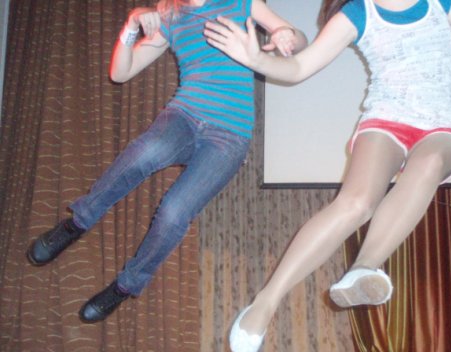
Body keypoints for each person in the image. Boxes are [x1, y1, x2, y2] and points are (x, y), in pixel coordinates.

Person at [204, 0, 451, 352]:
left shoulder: (444, 3)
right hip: (385, 120)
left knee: (430, 162)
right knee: (355, 204)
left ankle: (363, 267)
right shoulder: (358, 13)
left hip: (441, 126)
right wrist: (257, 61)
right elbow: (299, 67)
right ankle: (265, 302)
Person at [26, 0, 307, 323]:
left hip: (230, 134)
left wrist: (287, 34)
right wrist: (131, 26)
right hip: (184, 116)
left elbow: (299, 40)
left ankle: (125, 286)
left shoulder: (242, 2)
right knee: (146, 152)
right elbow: (120, 73)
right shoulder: (170, 15)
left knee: (174, 212)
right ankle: (76, 223)